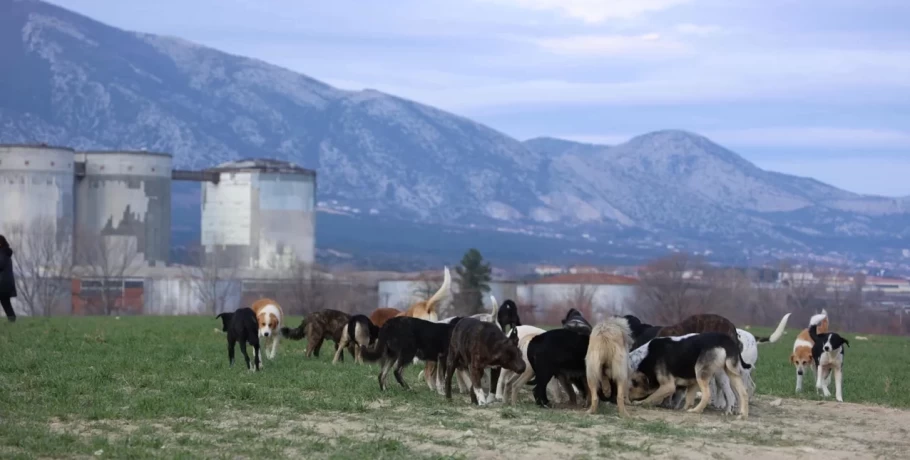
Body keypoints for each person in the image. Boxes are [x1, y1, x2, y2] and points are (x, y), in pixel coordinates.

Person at [0, 235, 17, 322]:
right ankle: (12, 320)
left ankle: (12, 320)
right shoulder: (5, 253)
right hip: (6, 283)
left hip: (2, 283)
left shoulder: (2, 253)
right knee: (6, 303)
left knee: (6, 303)